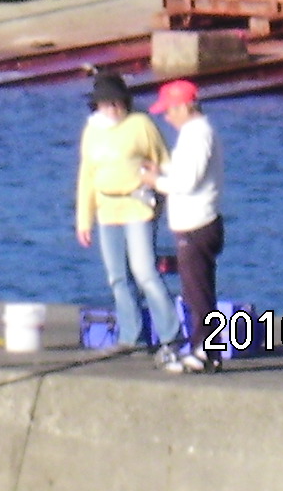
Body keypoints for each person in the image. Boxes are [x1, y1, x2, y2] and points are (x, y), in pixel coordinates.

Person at [75, 72, 182, 358]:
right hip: (106, 209)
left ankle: (171, 334)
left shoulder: (141, 125)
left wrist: (161, 201)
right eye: (106, 103)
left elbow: (164, 163)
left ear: (125, 102)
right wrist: (84, 219)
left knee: (145, 272)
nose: (112, 108)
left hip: (138, 206)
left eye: (116, 102)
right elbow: (87, 175)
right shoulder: (91, 131)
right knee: (117, 277)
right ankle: (130, 336)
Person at [143, 78, 225, 374]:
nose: (166, 117)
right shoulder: (193, 134)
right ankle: (204, 349)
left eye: (169, 111)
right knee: (196, 292)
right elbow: (184, 170)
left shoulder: (198, 134)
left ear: (184, 107)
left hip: (197, 225)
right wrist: (162, 169)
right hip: (194, 224)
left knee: (198, 293)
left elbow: (188, 182)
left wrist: (156, 181)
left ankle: (206, 352)